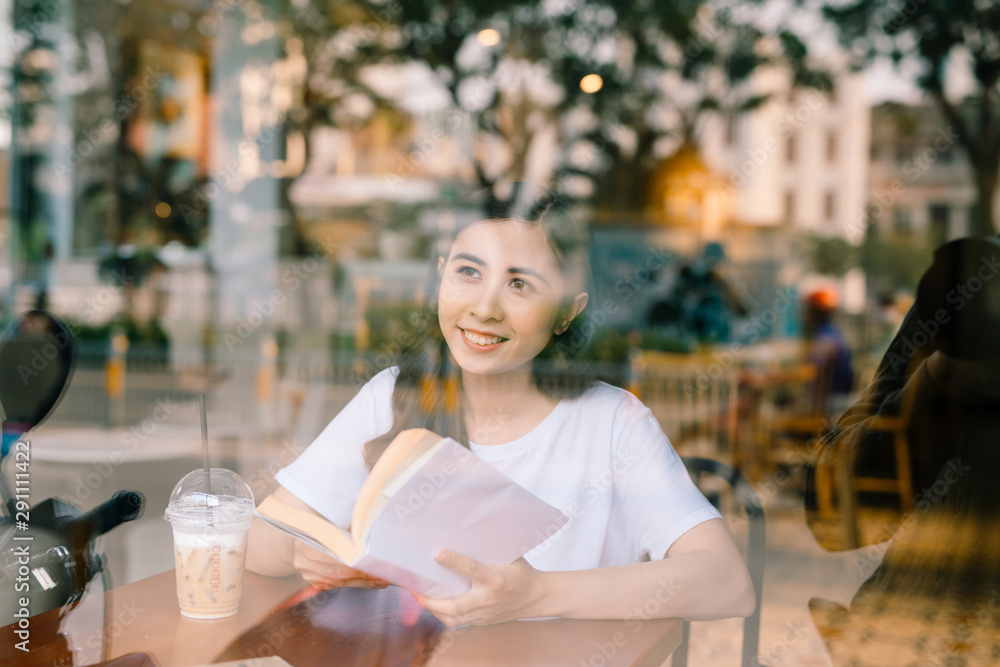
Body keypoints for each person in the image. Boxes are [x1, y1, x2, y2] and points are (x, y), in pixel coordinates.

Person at [246, 186, 755, 627]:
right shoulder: (392, 395)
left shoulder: (612, 423)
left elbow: (728, 583)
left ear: (566, 313)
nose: (484, 308)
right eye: (468, 273)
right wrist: (308, 554)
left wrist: (537, 595)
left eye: (519, 284)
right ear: (442, 276)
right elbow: (258, 541)